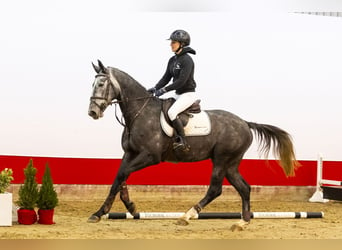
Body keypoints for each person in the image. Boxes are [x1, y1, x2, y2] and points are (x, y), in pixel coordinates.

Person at [148, 29, 197, 152]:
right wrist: (155, 88)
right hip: (178, 95)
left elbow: (181, 81)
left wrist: (164, 90)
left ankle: (183, 141)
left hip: (188, 95)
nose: (171, 44)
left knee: (172, 112)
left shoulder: (187, 60)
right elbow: (166, 78)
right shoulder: (172, 60)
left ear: (182, 44)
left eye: (174, 42)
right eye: (171, 42)